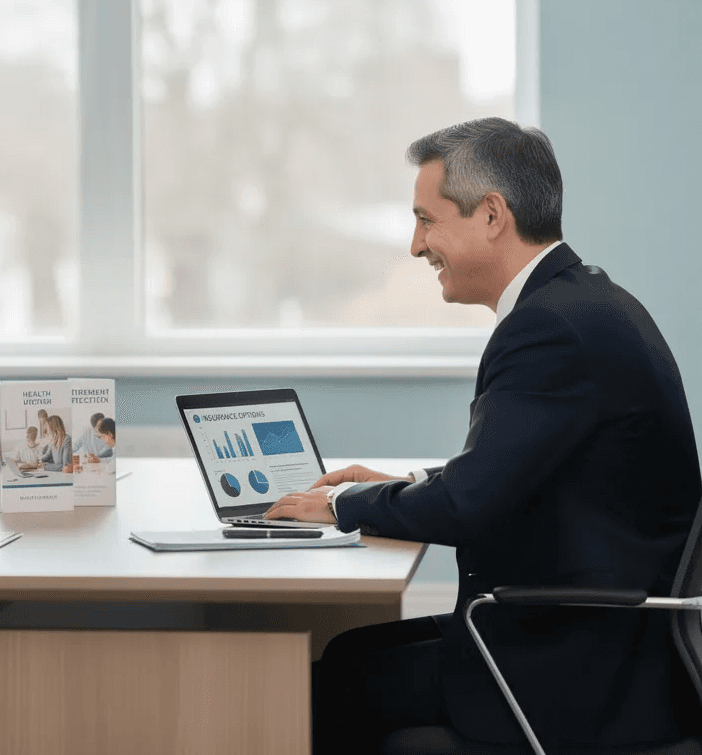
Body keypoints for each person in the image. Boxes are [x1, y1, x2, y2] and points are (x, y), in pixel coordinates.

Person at [265, 118, 702, 752]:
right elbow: (511, 475)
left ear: (492, 215)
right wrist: (410, 485)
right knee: (350, 651)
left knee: (329, 687)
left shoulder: (549, 329)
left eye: (428, 220)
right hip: (600, 644)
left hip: (576, 675)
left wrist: (340, 507)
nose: (417, 246)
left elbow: (470, 506)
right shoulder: (583, 304)